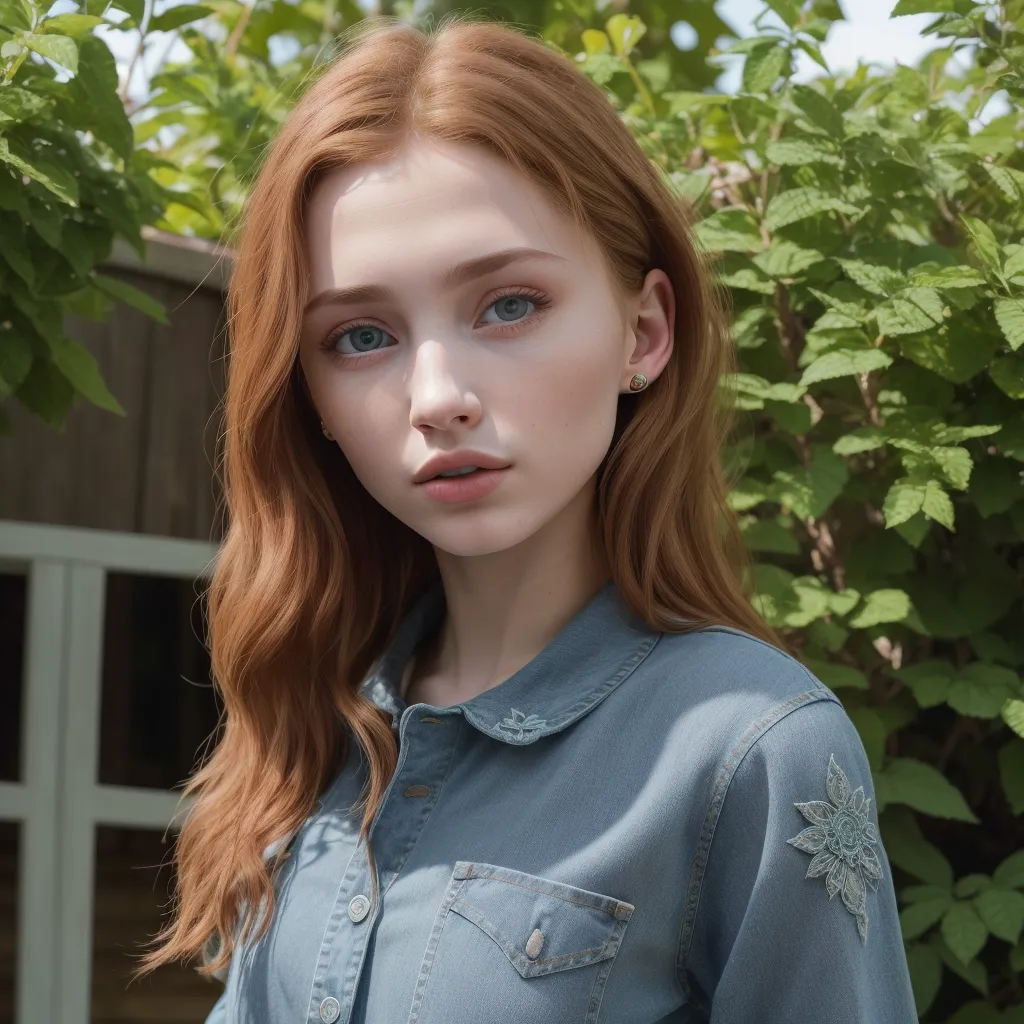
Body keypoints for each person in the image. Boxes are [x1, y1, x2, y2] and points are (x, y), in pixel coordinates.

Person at [135, 13, 918, 1023]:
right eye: (361, 335)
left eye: (507, 305)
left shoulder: (755, 752)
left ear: (643, 330)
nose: (437, 395)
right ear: (311, 398)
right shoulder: (317, 720)